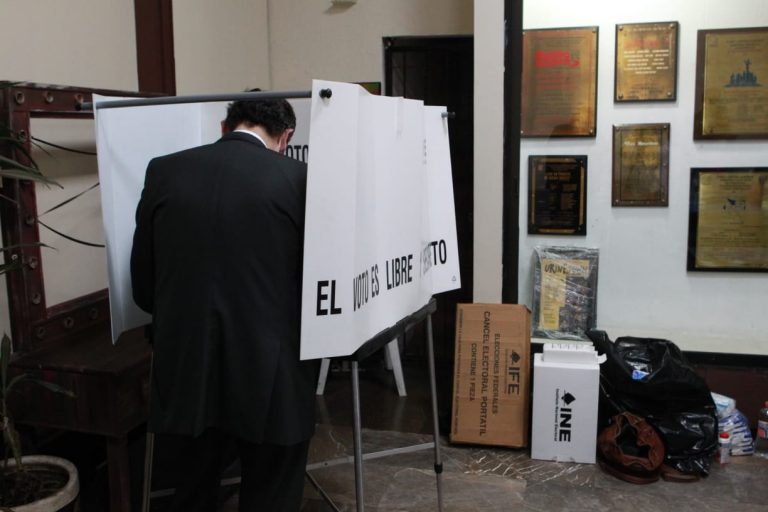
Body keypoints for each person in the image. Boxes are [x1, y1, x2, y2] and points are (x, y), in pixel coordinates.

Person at [131, 94, 319, 512]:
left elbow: (143, 284)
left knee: (192, 488)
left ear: (224, 127)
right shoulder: (301, 178)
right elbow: (315, 281)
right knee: (271, 490)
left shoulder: (164, 170)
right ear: (286, 137)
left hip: (188, 363)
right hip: (273, 368)